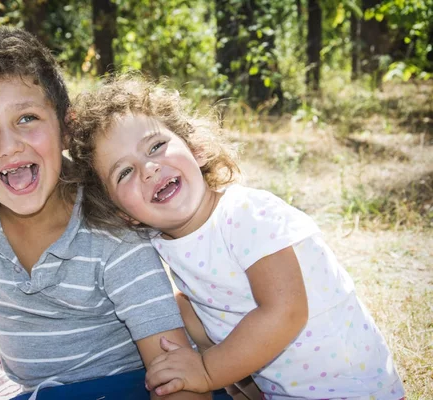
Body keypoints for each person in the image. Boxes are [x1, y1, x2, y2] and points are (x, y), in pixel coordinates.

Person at [67, 75, 406, 400]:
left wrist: (208, 371)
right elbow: (209, 309)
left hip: (351, 389)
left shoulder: (245, 214)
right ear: (122, 213)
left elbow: (284, 311)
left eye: (156, 145)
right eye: (124, 172)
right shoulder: (162, 244)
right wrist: (228, 371)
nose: (149, 168)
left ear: (196, 148)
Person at [0, 27, 210, 400]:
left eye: (27, 118)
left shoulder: (110, 227)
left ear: (66, 128)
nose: (9, 146)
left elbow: (176, 375)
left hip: (130, 386)